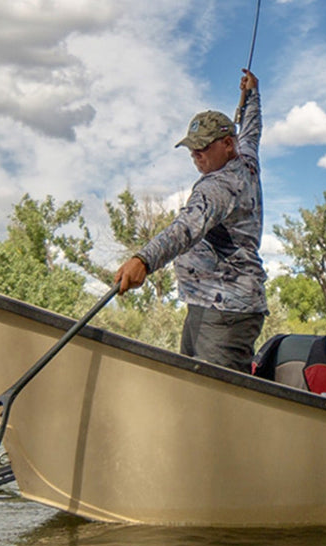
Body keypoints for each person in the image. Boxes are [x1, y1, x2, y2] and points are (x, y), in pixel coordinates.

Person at [114, 69, 266, 372]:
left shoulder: (218, 187)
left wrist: (143, 260)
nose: (195, 154)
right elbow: (251, 131)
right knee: (191, 391)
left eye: (204, 146)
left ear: (226, 144)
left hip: (226, 311)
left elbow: (185, 229)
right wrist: (252, 96)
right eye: (192, 148)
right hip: (207, 303)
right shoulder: (246, 158)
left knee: (213, 401)